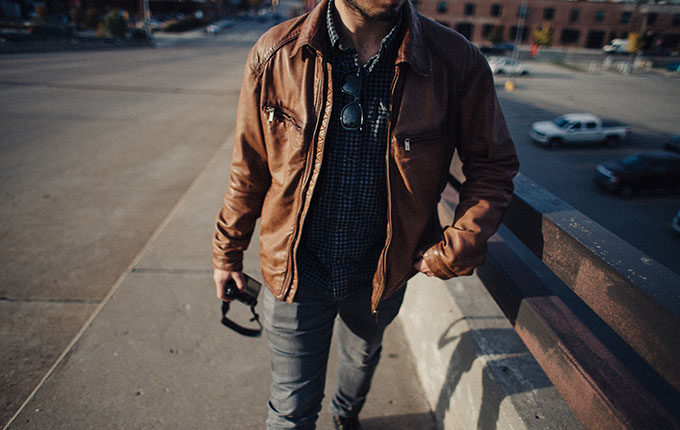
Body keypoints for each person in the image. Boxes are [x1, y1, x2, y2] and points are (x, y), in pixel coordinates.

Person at [212, 0, 519, 427]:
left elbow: (492, 164)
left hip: (381, 275)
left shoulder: (455, 62)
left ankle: (346, 416)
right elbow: (249, 168)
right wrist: (227, 254)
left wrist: (458, 245)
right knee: (290, 411)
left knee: (359, 365)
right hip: (294, 272)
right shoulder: (276, 53)